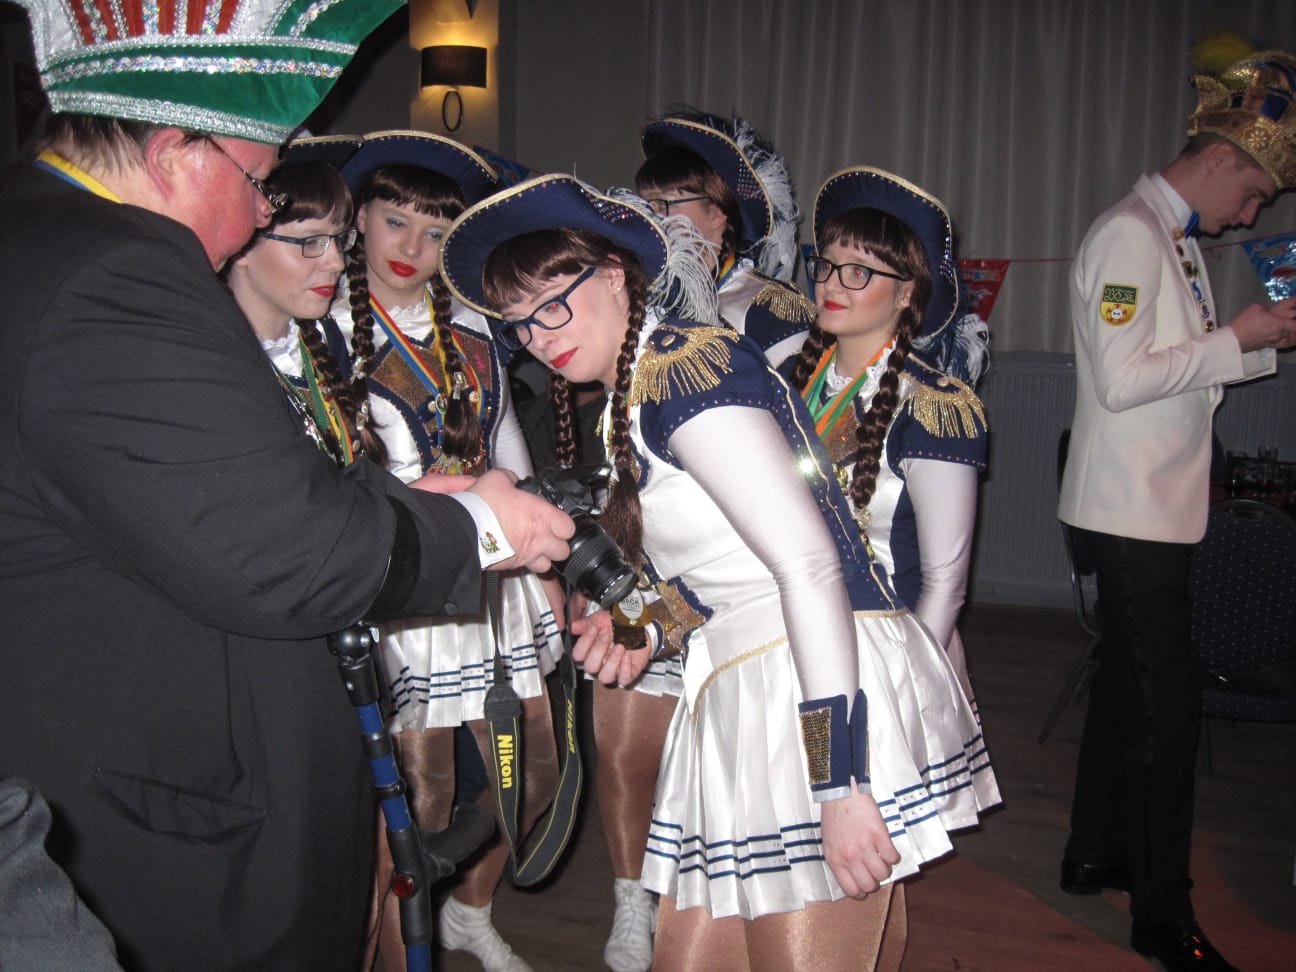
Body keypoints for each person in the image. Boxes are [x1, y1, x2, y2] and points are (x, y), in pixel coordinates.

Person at [0, 5, 575, 969]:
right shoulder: (117, 273)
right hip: (166, 822)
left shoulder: (39, 232)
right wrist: (481, 526)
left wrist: (412, 505)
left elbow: (203, 503)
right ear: (177, 154)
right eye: (260, 183)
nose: (263, 215)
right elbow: (284, 552)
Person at [440, 174, 1001, 972]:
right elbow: (728, 569)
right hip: (743, 684)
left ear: (613, 273)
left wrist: (838, 784)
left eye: (552, 304)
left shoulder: (686, 368)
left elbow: (809, 564)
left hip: (808, 689)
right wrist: (647, 629)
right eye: (520, 321)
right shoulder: (640, 387)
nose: (539, 336)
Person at [1057, 50, 1296, 972]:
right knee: (1170, 710)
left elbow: (1177, 370)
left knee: (1129, 690)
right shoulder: (1131, 235)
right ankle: (1162, 915)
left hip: (1149, 502)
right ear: (1224, 158)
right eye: (1256, 193)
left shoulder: (1170, 237)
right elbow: (1124, 382)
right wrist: (1237, 338)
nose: (1253, 213)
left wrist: (1258, 343)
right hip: (1132, 511)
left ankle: (1092, 853)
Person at [333, 131, 562, 972]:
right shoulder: (319, 328)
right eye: (395, 221)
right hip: (402, 585)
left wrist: (544, 563)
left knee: (535, 768)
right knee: (420, 803)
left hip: (497, 577)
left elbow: (507, 451)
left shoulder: (469, 328)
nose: (411, 247)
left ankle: (469, 909)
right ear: (359, 218)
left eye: (435, 232)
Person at [786, 167, 987, 716]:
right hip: (784, 639)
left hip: (891, 651)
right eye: (827, 264)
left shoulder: (937, 408)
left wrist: (903, 685)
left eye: (858, 272)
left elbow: (945, 584)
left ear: (905, 292)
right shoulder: (783, 383)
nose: (830, 284)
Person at [637, 105, 814, 368]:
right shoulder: (649, 301)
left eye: (664, 204)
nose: (650, 218)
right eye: (647, 205)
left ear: (717, 212)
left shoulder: (770, 309)